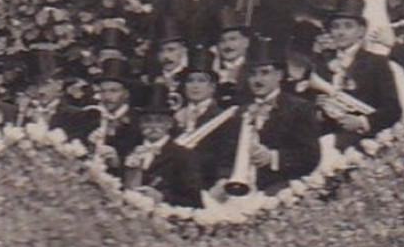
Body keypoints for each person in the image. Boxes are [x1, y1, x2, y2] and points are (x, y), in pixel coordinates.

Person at [224, 36, 321, 195]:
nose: (258, 80)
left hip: (279, 189)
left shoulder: (300, 108)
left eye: (265, 73)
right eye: (253, 74)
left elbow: (310, 157)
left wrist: (272, 158)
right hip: (238, 191)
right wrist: (224, 178)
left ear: (280, 75)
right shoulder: (240, 112)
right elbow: (226, 156)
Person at [311, 0, 404, 150]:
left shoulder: (377, 62)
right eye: (336, 26)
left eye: (348, 26)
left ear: (361, 31)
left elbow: (393, 110)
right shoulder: (323, 61)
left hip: (358, 140)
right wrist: (316, 108)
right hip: (323, 134)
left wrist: (362, 122)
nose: (341, 32)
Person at [121, 83, 204, 208]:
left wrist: (163, 198)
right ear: (140, 125)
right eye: (147, 120)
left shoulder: (184, 156)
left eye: (160, 121)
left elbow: (195, 202)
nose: (153, 126)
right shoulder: (128, 151)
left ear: (169, 124)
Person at [173, 48, 241, 191]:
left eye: (201, 80)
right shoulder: (175, 116)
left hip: (210, 186)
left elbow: (227, 157)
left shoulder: (225, 118)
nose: (195, 86)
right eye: (190, 81)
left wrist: (221, 182)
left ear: (212, 87)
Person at [67, 55, 142, 177]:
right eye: (103, 91)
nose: (107, 97)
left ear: (126, 93)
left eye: (113, 91)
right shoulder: (90, 116)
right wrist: (88, 147)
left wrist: (118, 163)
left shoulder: (137, 122)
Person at [15, 47, 81, 134]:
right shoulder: (23, 112)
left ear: (59, 85)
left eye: (45, 84)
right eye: (37, 85)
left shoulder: (73, 115)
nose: (40, 91)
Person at [212, 7, 252, 99]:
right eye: (222, 41)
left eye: (233, 39)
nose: (228, 45)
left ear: (246, 42)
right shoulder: (212, 71)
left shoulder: (253, 70)